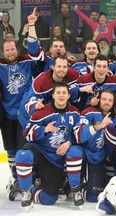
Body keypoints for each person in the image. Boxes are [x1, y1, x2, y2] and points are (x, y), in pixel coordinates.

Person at [15, 82, 83, 210]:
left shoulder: (75, 113)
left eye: (64, 93)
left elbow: (79, 134)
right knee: (23, 155)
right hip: (40, 150)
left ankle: (35, 189)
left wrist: (69, 143)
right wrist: (44, 129)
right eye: (58, 93)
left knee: (49, 199)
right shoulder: (42, 111)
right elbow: (27, 133)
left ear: (69, 95)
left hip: (55, 159)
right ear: (53, 95)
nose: (61, 96)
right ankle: (25, 191)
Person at [0, 8, 43, 202]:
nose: (10, 52)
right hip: (6, 114)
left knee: (22, 148)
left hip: (24, 114)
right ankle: (17, 178)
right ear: (3, 52)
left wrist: (32, 26)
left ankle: (28, 177)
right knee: (10, 149)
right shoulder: (0, 65)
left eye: (12, 49)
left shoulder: (28, 62)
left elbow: (37, 53)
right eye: (7, 50)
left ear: (17, 49)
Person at [76, 89, 116, 202]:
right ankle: (75, 186)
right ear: (98, 100)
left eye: (110, 100)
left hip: (100, 158)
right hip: (86, 154)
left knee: (95, 195)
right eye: (104, 99)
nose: (107, 102)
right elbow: (79, 137)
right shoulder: (88, 112)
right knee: (93, 197)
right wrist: (100, 125)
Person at [18, 55, 80, 128]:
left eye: (64, 67)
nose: (62, 70)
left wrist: (80, 89)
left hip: (53, 115)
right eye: (59, 66)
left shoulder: (73, 75)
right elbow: (29, 99)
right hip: (28, 117)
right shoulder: (41, 81)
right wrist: (35, 105)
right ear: (53, 67)